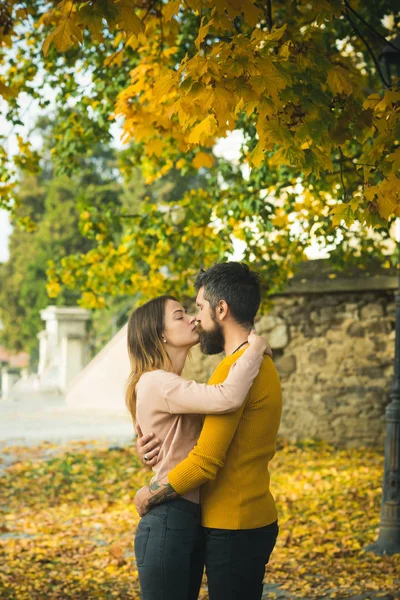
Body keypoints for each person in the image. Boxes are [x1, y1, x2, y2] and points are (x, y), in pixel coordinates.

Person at [135, 262, 283, 600]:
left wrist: (149, 493)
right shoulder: (259, 365)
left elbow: (205, 460)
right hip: (252, 513)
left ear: (221, 309)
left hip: (233, 523)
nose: (196, 319)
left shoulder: (234, 372)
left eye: (199, 308)